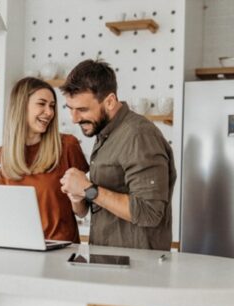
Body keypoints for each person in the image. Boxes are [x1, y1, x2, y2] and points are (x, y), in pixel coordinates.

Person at [59, 59, 177, 251]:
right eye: (70, 109)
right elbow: (88, 210)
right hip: (108, 261)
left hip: (136, 268)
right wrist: (78, 195)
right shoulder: (105, 134)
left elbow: (150, 212)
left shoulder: (138, 135)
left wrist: (89, 189)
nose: (74, 119)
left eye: (82, 109)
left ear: (110, 101)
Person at [0, 77, 89, 243]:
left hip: (60, 251)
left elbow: (82, 211)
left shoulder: (67, 146)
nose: (49, 112)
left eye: (52, 106)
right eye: (41, 104)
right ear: (21, 107)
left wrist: (77, 198)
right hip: (17, 248)